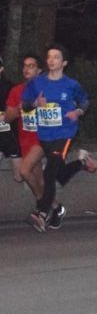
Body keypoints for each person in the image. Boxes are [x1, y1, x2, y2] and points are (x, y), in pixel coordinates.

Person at [21, 44, 97, 232]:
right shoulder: (37, 83)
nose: (51, 60)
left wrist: (78, 111)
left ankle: (41, 213)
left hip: (65, 133)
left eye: (56, 57)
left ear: (64, 62)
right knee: (59, 173)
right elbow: (25, 105)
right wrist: (35, 103)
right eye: (49, 56)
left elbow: (85, 101)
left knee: (49, 173)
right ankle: (81, 164)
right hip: (45, 134)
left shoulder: (71, 85)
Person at [4, 54, 46, 212]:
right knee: (38, 179)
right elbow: (7, 118)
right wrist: (20, 108)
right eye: (25, 66)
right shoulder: (17, 91)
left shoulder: (46, 89)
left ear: (39, 70)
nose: (26, 69)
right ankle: (53, 205)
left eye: (31, 66)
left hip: (42, 139)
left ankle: (43, 206)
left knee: (24, 170)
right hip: (25, 138)